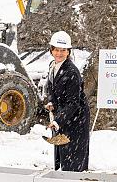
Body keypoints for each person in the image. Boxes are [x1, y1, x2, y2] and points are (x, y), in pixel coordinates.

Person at [45, 31, 90, 172]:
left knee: (73, 159)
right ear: (51, 50)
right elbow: (52, 89)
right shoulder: (53, 66)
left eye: (63, 50)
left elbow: (73, 103)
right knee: (64, 156)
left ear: (68, 52)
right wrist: (52, 102)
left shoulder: (71, 72)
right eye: (56, 50)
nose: (59, 53)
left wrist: (58, 120)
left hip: (76, 119)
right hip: (65, 117)